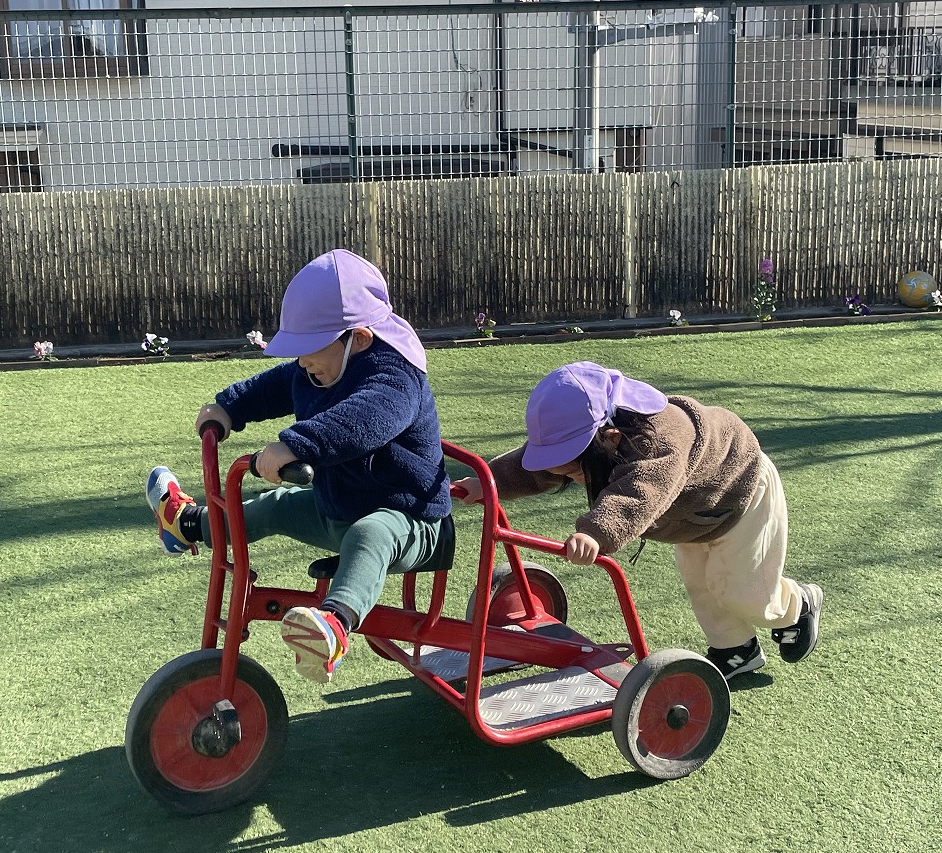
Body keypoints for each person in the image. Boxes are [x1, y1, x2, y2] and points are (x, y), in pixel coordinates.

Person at [145, 249, 451, 684]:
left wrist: (297, 445)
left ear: (359, 338)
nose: (302, 361)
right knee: (276, 505)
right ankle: (186, 525)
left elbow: (365, 419)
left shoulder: (396, 378)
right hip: (338, 506)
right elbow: (277, 385)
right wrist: (229, 407)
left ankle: (335, 627)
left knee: (371, 534)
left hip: (411, 520)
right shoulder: (319, 367)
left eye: (309, 350)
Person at [450, 361, 821, 682]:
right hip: (690, 516)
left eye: (573, 470)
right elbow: (535, 469)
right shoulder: (595, 438)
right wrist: (488, 483)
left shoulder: (661, 441)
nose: (568, 477)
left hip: (740, 495)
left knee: (743, 591)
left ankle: (798, 605)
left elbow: (638, 493)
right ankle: (736, 649)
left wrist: (595, 533)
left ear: (609, 438)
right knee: (701, 584)